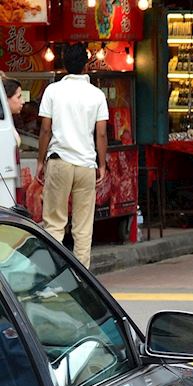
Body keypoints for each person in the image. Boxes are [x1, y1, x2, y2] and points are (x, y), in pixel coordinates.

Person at [36, 43, 108, 269]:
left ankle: (52, 274)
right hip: (86, 164)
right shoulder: (96, 94)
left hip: (59, 161)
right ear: (86, 65)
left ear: (64, 64)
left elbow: (45, 129)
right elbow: (102, 133)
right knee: (83, 227)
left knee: (54, 224)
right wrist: (102, 164)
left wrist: (40, 161)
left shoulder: (53, 91)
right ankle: (83, 279)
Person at [3, 77, 23, 147]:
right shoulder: (2, 125)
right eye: (18, 97)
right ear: (5, 98)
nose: (22, 101)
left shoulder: (8, 121)